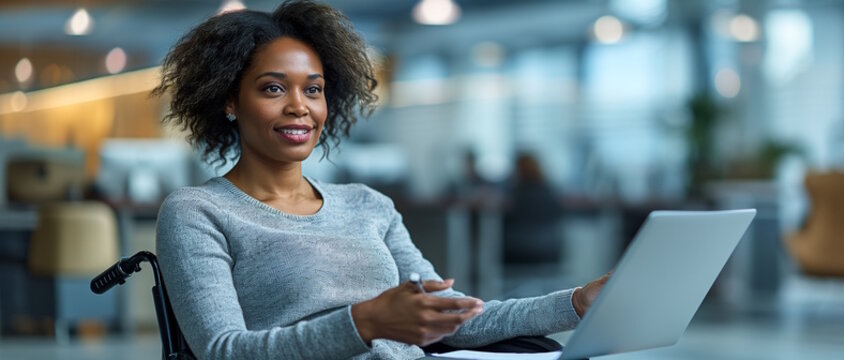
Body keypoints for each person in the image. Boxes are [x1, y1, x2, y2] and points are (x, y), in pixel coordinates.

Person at [151, 1, 608, 359]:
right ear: (229, 100)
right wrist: (366, 322)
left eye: (313, 89)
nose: (300, 106)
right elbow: (223, 351)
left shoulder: (367, 204)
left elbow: (456, 318)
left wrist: (574, 304)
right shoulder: (197, 212)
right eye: (273, 88)